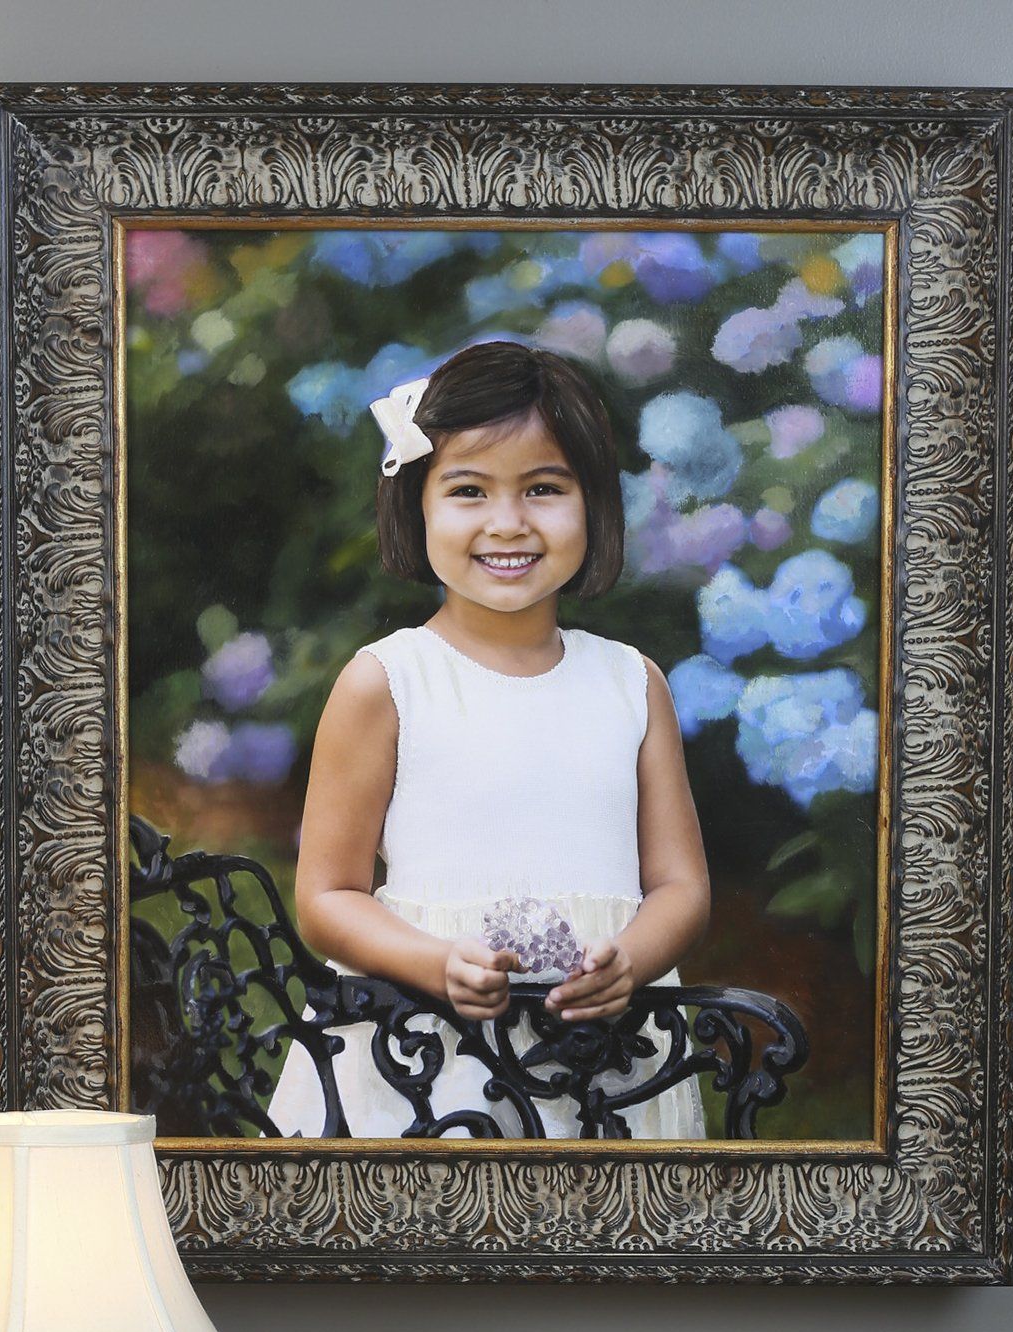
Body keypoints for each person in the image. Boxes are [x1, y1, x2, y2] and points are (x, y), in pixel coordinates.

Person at [268, 339, 710, 1140]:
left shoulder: (630, 682)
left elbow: (681, 887)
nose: (508, 523)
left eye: (544, 489)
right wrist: (436, 965)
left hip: (601, 1054)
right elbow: (327, 897)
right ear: (418, 505)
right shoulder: (389, 681)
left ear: (593, 505)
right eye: (469, 490)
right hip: (425, 1054)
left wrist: (632, 962)